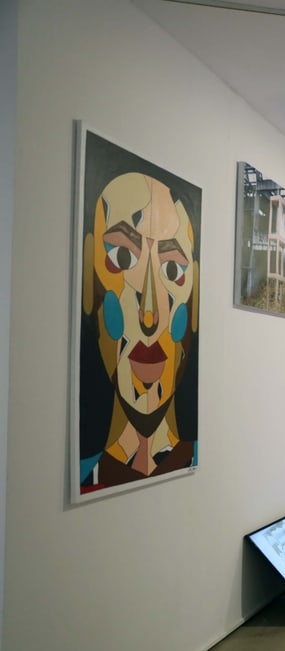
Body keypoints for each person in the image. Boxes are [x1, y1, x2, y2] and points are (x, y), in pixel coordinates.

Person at [80, 171, 199, 490]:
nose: (150, 315)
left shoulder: (199, 460)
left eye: (172, 269)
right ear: (89, 280)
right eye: (122, 256)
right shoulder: (84, 476)